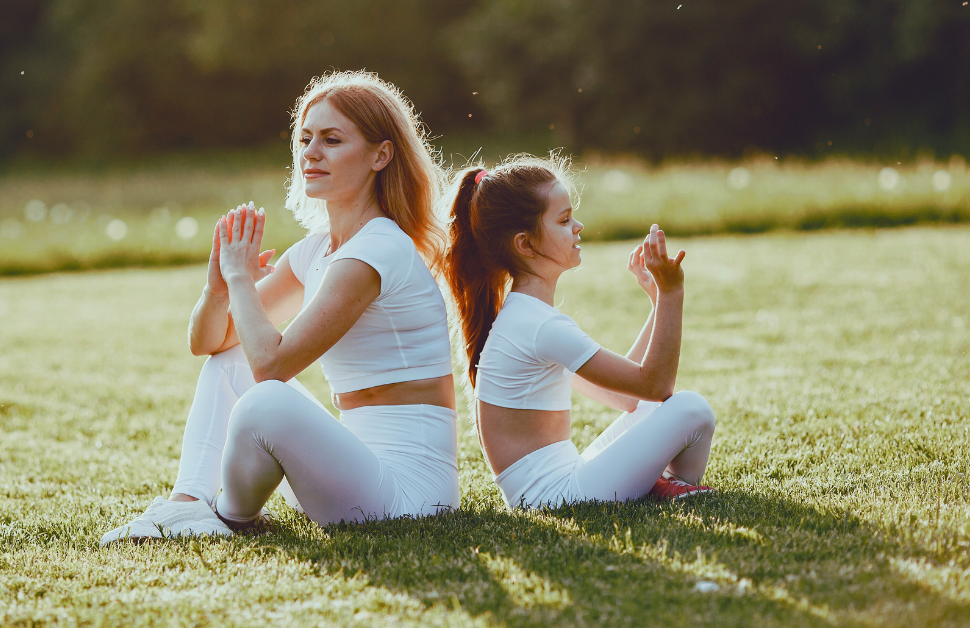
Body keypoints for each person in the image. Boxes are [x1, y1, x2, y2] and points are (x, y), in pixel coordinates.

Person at [101, 71, 458, 545]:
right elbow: (210, 343)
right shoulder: (317, 251)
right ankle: (187, 504)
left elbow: (271, 366)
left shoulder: (378, 250)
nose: (311, 152)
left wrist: (241, 279)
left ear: (381, 155)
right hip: (351, 467)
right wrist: (219, 290)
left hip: (409, 497)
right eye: (306, 138)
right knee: (230, 363)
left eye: (332, 140)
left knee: (268, 397)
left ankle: (226, 517)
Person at [443, 156, 716, 510]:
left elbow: (630, 398)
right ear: (525, 244)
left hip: (561, 486)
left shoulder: (526, 317)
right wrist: (672, 294)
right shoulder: (539, 325)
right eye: (564, 219)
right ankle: (672, 486)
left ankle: (665, 485)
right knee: (692, 409)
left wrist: (656, 306)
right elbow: (656, 385)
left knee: (662, 409)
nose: (578, 226)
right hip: (557, 499)